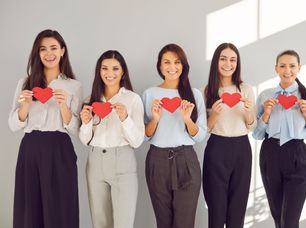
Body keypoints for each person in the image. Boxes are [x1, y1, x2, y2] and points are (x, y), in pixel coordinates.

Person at [8, 29, 82, 228]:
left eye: (54, 48)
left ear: (62, 51)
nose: (49, 53)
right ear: (37, 53)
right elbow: (13, 124)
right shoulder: (25, 83)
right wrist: (25, 106)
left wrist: (64, 107)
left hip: (60, 148)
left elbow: (77, 130)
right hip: (30, 148)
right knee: (30, 208)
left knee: (61, 207)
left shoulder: (74, 86)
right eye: (43, 49)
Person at [253, 50, 306, 228]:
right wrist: (267, 114)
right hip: (270, 154)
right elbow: (256, 134)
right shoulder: (265, 95)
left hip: (297, 154)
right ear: (276, 68)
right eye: (283, 66)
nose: (287, 70)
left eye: (292, 66)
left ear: (299, 68)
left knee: (290, 221)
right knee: (278, 218)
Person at [142, 43, 207, 228]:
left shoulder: (194, 95)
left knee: (184, 223)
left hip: (186, 160)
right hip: (157, 160)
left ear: (183, 65)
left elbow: (200, 135)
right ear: (160, 66)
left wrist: (187, 120)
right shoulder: (149, 94)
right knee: (164, 222)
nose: (172, 67)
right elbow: (145, 135)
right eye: (167, 62)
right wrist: (155, 119)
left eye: (177, 62)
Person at [79, 50, 144, 228]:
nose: (110, 73)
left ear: (123, 72)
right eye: (105, 68)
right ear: (99, 72)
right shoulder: (90, 100)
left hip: (122, 162)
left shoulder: (132, 100)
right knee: (100, 222)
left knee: (124, 223)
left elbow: (137, 141)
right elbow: (85, 140)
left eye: (115, 68)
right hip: (94, 162)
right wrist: (85, 123)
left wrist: (125, 118)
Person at [202, 43, 256, 228]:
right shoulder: (207, 90)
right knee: (216, 210)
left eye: (233, 59)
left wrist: (249, 112)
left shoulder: (246, 89)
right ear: (216, 61)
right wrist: (214, 115)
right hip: (216, 149)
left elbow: (251, 126)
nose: (228, 64)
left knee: (237, 209)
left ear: (237, 63)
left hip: (242, 150)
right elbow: (204, 129)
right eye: (223, 58)